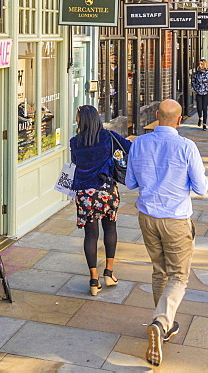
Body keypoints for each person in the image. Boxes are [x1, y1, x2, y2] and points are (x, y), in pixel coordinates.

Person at [126, 100, 208, 366]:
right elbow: (201, 187)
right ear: (179, 120)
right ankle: (161, 323)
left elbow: (129, 182)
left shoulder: (139, 143)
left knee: (159, 271)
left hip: (147, 217)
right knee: (179, 276)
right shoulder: (186, 146)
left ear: (157, 117)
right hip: (175, 220)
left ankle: (162, 327)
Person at [69, 105, 132, 296]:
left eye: (78, 117)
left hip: (85, 193)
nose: (77, 120)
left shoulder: (75, 142)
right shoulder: (108, 137)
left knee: (91, 235)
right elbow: (129, 148)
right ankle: (109, 273)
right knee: (110, 229)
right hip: (106, 191)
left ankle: (93, 280)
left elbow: (75, 164)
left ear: (82, 120)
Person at [190, 59, 208, 130]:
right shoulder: (196, 73)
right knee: (199, 107)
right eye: (199, 64)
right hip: (199, 92)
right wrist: (196, 88)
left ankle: (204, 124)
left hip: (206, 92)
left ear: (204, 65)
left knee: (204, 108)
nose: (200, 65)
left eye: (201, 64)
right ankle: (200, 117)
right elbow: (193, 82)